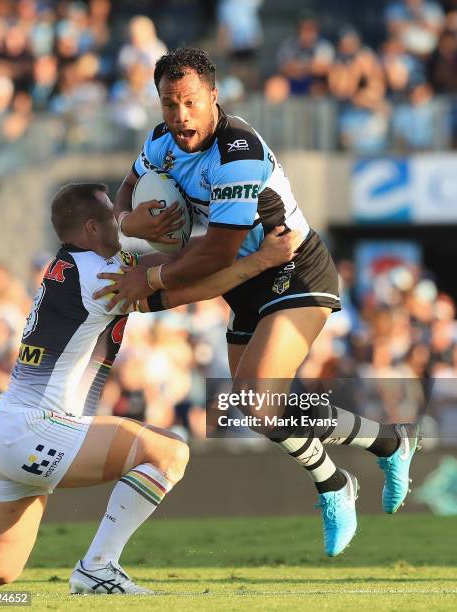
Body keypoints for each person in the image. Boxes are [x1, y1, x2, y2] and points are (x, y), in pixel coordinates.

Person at [99, 47, 421, 557]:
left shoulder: (237, 153)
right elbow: (126, 189)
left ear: (213, 97)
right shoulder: (161, 142)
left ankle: (335, 486)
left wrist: (154, 279)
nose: (180, 116)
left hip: (293, 267)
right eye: (168, 103)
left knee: (255, 396)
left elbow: (220, 250)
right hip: (244, 280)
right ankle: (387, 444)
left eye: (189, 102)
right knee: (262, 410)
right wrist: (126, 223)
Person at [0, 182, 299, 594]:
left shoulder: (84, 265)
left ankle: (96, 568)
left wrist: (201, 236)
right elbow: (189, 287)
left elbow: (169, 259)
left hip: (9, 430)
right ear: (90, 228)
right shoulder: (101, 274)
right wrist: (260, 259)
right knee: (168, 452)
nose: (118, 222)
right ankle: (98, 568)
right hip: (37, 428)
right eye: (109, 217)